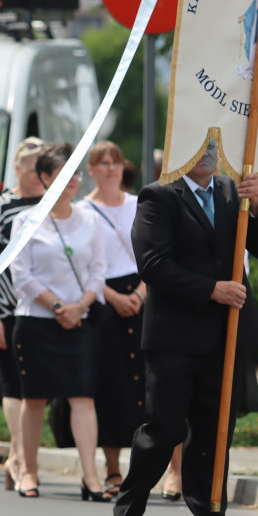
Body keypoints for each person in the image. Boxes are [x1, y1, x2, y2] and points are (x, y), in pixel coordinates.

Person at [113, 138, 258, 516]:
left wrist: (257, 206)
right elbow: (153, 263)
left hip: (225, 336)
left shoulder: (229, 191)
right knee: (164, 431)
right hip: (174, 338)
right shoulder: (158, 195)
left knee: (213, 436)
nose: (207, 153)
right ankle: (129, 511)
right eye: (198, 145)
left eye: (213, 147)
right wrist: (210, 290)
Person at [10, 143, 108, 500]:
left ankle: (90, 476)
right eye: (62, 174)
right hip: (37, 320)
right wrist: (57, 306)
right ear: (44, 178)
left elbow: (99, 272)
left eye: (75, 173)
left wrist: (78, 305)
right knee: (34, 399)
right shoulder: (26, 220)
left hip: (79, 322)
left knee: (83, 397)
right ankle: (28, 471)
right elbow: (22, 275)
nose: (72, 181)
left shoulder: (91, 220)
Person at [0, 136, 46, 491]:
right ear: (17, 169)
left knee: (37, 387)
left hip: (45, 310)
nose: (39, 176)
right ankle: (18, 456)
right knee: (13, 383)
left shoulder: (56, 202)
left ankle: (21, 458)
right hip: (6, 308)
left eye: (44, 169)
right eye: (33, 168)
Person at [82, 140, 147, 497]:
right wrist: (114, 297)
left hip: (142, 294)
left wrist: (138, 294)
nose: (109, 168)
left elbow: (156, 254)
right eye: (102, 162)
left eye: (115, 161)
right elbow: (84, 266)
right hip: (103, 298)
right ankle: (112, 469)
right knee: (111, 385)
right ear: (91, 170)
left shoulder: (140, 204)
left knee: (146, 387)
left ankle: (152, 469)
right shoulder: (83, 210)